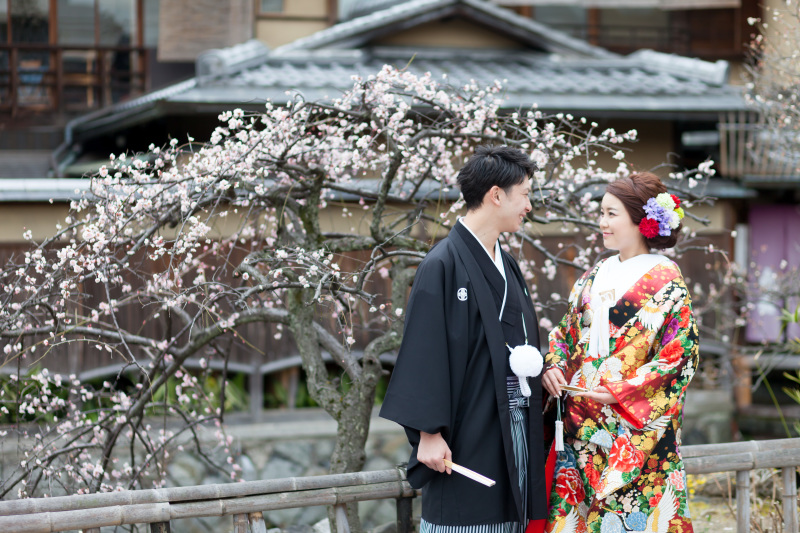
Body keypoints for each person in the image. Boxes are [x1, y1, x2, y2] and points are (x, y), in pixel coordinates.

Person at [380, 145, 548, 533]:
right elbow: (424, 352)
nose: (528, 205)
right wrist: (428, 433)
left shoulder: (506, 264)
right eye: (525, 194)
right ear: (496, 195)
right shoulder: (442, 264)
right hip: (467, 429)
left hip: (511, 423)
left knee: (511, 514)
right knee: (467, 517)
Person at [541, 171, 699, 533]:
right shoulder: (593, 274)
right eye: (601, 212)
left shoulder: (667, 281)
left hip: (633, 430)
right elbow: (565, 332)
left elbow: (680, 356)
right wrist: (555, 365)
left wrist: (619, 391)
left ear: (640, 220)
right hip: (581, 422)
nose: (602, 222)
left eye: (611, 214)